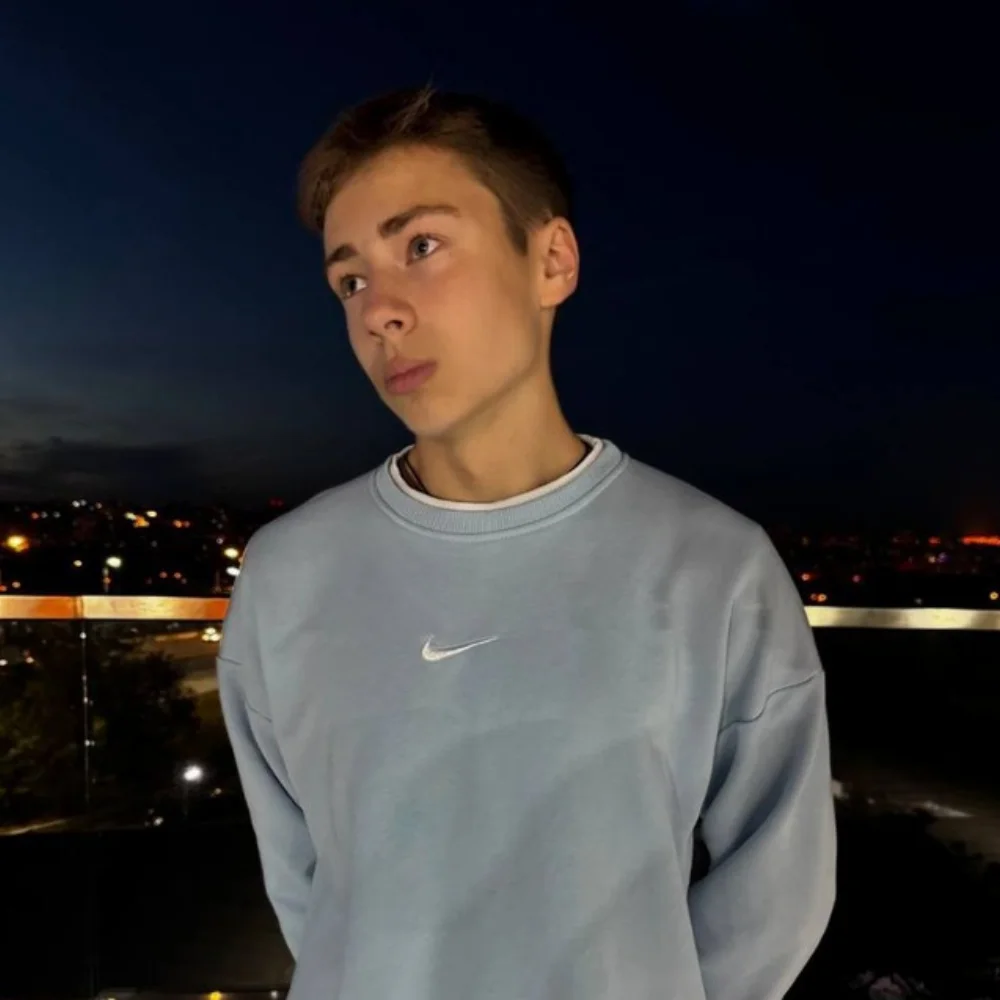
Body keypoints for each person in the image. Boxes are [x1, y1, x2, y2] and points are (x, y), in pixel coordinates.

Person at [218, 86, 836, 1000]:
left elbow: (775, 894)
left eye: (420, 246)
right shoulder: (286, 574)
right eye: (350, 281)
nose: (379, 310)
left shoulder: (715, 567)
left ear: (552, 260)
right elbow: (305, 884)